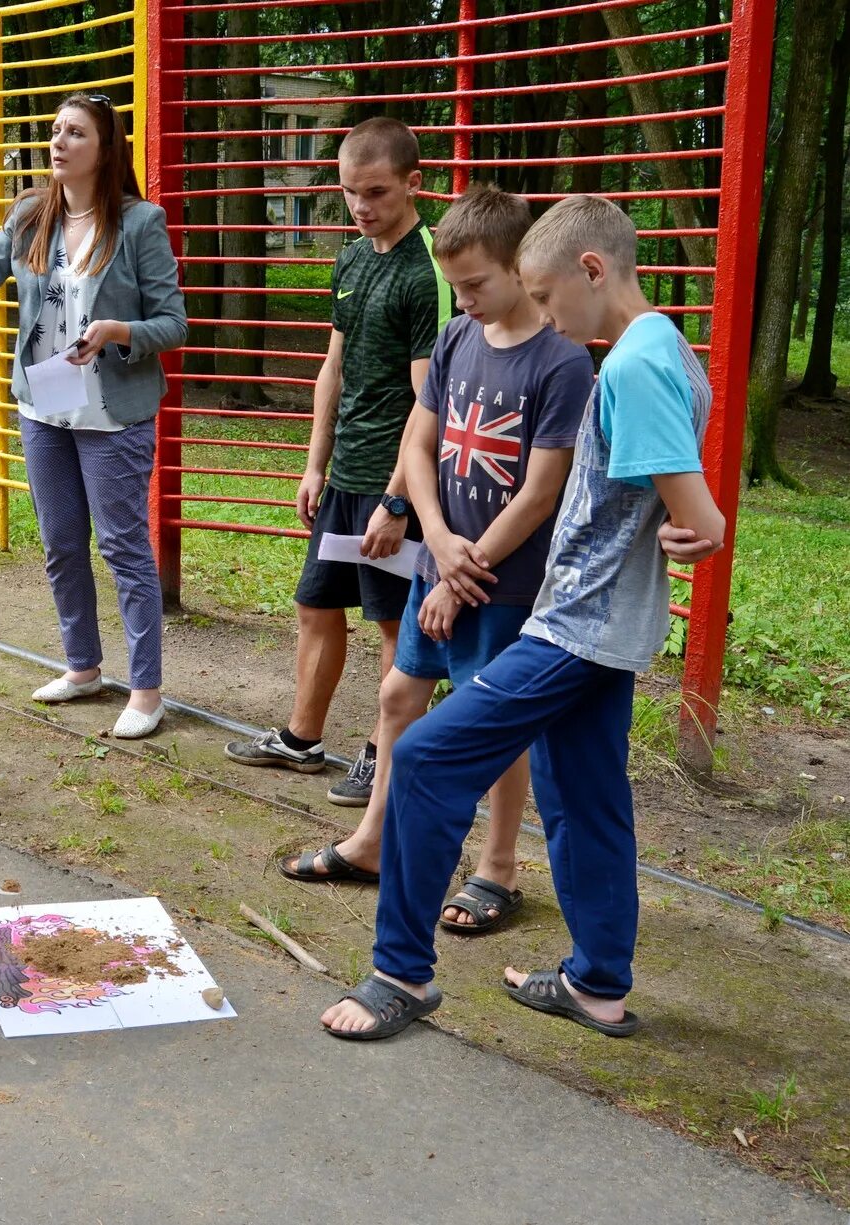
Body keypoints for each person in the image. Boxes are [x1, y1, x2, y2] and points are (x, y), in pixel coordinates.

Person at [319, 195, 724, 1041]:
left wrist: (704, 525)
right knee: (584, 795)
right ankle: (596, 984)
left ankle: (400, 973)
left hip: (576, 626)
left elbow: (698, 514)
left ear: (591, 270)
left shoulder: (631, 366)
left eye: (543, 297)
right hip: (603, 627)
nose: (540, 316)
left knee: (426, 759)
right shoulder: (668, 349)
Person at [279, 184, 592, 940]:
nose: (465, 300)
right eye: (455, 287)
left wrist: (465, 562)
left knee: (492, 724)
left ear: (521, 268)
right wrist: (438, 540)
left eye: (476, 285)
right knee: (397, 696)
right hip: (442, 560)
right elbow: (418, 444)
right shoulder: (456, 339)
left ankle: (498, 867)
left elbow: (542, 489)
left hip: (502, 581)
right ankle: (375, 843)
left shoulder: (562, 363)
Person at [0, 92, 186, 739]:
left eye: (74, 133)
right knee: (58, 544)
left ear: (104, 149)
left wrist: (114, 329)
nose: (58, 142)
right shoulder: (31, 214)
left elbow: (172, 323)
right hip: (45, 401)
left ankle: (145, 690)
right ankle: (82, 667)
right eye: (55, 131)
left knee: (123, 549)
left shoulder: (139, 224)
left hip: (113, 410)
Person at [224, 118, 449, 807]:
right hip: (344, 473)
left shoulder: (427, 268)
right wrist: (312, 464)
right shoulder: (352, 258)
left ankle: (382, 756)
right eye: (349, 191)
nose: (360, 205)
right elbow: (333, 367)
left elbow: (430, 402)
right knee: (314, 605)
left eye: (375, 191)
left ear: (413, 183)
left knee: (392, 623)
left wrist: (397, 500)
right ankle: (300, 737)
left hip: (394, 482)